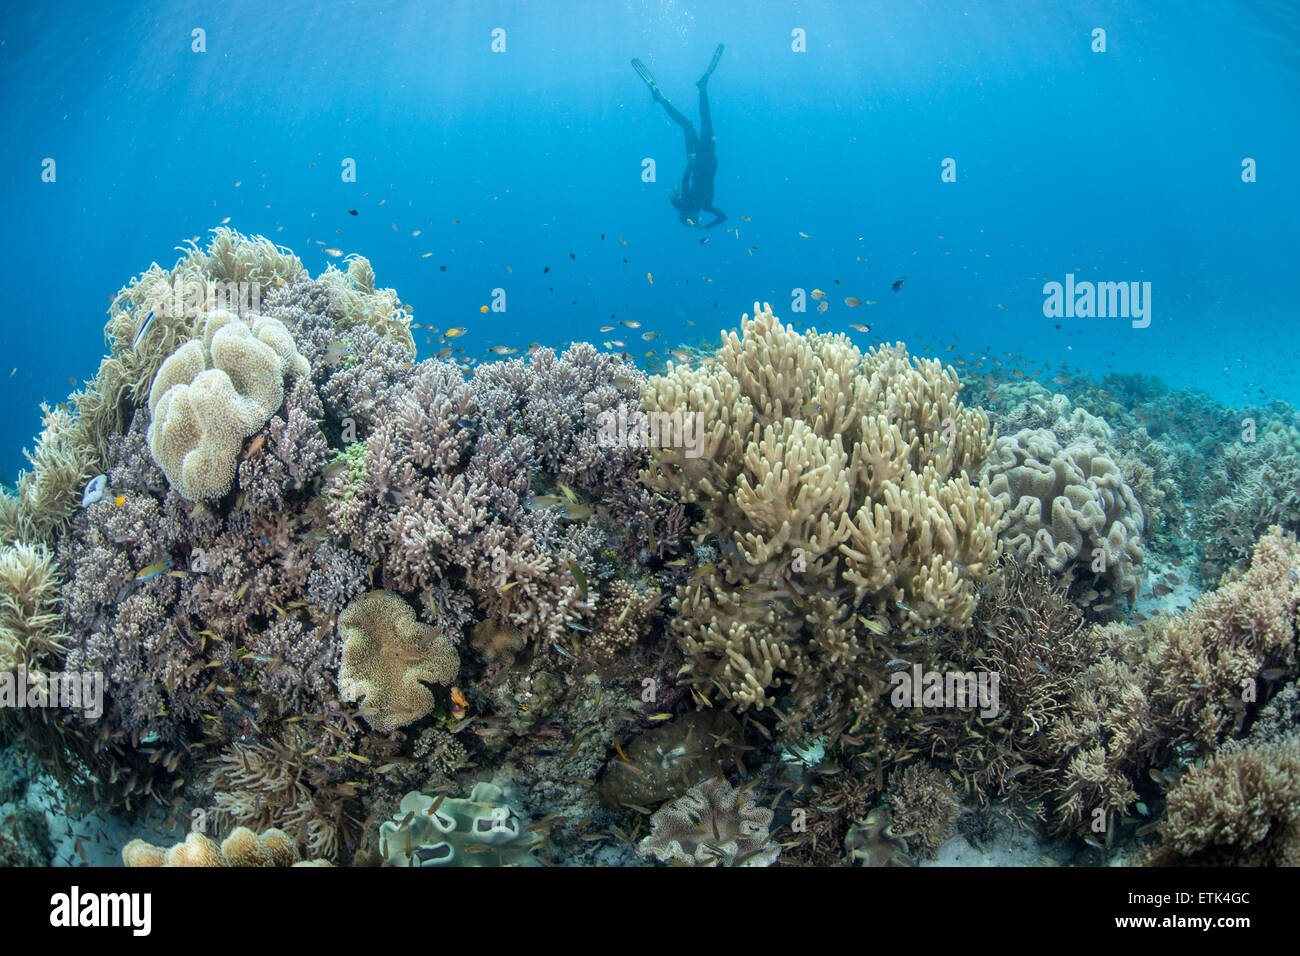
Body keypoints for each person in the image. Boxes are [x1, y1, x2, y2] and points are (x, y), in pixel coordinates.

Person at [632, 44, 727, 229]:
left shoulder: (686, 204)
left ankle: (670, 96)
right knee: (694, 125)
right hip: (703, 160)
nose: (696, 219)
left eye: (692, 221)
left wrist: (689, 167)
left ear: (686, 216)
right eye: (695, 221)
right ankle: (696, 89)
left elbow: (684, 182)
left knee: (695, 124)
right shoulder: (704, 206)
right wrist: (705, 227)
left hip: (699, 161)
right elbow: (723, 217)